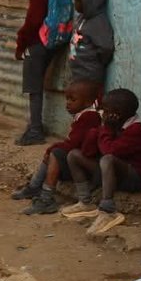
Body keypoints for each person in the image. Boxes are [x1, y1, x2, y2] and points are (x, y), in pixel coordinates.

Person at [61, 88, 141, 236]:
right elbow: (88, 152)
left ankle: (108, 210)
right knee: (74, 155)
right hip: (114, 174)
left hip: (137, 178)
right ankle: (85, 202)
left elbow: (108, 151)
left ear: (117, 114)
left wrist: (106, 128)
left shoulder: (135, 130)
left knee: (107, 159)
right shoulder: (114, 125)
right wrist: (96, 131)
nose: (101, 113)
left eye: (104, 110)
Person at [11, 79, 101, 214]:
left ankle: (46, 199)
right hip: (78, 162)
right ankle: (35, 187)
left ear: (87, 102)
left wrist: (52, 148)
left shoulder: (89, 117)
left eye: (73, 100)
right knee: (54, 152)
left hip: (84, 168)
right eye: (67, 99)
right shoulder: (83, 115)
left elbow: (74, 144)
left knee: (56, 153)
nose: (68, 103)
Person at [14, 0, 73, 146]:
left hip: (37, 43)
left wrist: (21, 44)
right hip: (54, 42)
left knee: (34, 88)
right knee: (38, 85)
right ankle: (35, 126)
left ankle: (35, 130)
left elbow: (33, 21)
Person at [68, 0, 115, 97]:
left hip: (90, 75)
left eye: (78, 0)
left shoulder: (98, 23)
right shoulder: (82, 18)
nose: (75, 4)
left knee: (88, 104)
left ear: (91, 1)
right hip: (78, 72)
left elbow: (106, 48)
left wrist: (95, 62)